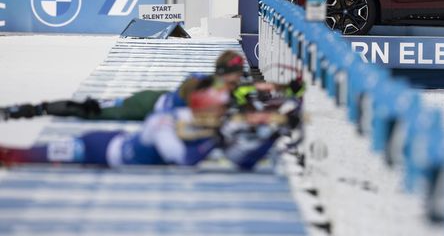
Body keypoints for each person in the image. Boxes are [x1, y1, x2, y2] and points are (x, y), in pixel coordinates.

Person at [0, 79, 301, 170]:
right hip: (100, 149)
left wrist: (273, 131)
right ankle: (25, 113)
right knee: (25, 156)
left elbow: (241, 158)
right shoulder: (167, 124)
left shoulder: (193, 117)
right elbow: (184, 160)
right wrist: (217, 141)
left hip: (125, 130)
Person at [0, 50, 302, 122]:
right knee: (92, 110)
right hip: (148, 105)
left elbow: (259, 91)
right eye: (237, 75)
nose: (241, 80)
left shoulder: (227, 85)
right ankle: (30, 110)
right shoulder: (208, 83)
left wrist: (288, 89)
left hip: (155, 103)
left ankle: (31, 109)